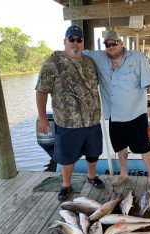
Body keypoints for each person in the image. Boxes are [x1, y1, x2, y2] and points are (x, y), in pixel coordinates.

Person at [83, 30, 150, 189]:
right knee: (119, 147)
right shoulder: (99, 57)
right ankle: (123, 174)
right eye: (108, 44)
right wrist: (62, 53)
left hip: (136, 113)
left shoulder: (137, 57)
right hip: (115, 115)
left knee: (144, 147)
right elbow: (78, 51)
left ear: (121, 42)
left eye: (114, 43)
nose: (111, 46)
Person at [36, 25, 104, 202]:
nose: (75, 42)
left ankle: (91, 176)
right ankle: (66, 184)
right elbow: (41, 91)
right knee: (67, 157)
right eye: (71, 39)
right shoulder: (53, 62)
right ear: (65, 41)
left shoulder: (90, 62)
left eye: (78, 39)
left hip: (92, 120)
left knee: (93, 152)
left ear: (83, 43)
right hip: (67, 122)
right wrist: (42, 118)